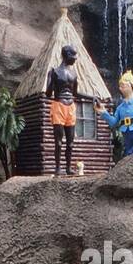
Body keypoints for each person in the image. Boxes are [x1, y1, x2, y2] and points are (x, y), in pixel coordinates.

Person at [96, 70, 133, 159]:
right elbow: (114, 122)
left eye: (123, 85)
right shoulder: (120, 107)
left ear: (131, 86)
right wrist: (104, 112)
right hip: (126, 133)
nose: (121, 88)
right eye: (120, 86)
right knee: (129, 155)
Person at [45, 44, 81, 176]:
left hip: (70, 106)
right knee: (59, 141)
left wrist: (92, 97)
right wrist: (52, 81)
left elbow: (76, 93)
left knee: (70, 142)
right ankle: (58, 167)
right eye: (73, 56)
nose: (75, 59)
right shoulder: (53, 71)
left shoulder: (74, 73)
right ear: (66, 55)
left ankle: (68, 168)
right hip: (58, 105)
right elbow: (48, 93)